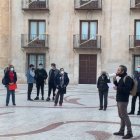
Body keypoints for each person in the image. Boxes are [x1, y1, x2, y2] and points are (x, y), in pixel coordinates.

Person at [113, 65, 133, 139]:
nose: (117, 71)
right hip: (119, 99)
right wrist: (115, 81)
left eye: (118, 70)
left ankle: (129, 133)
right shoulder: (122, 78)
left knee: (125, 116)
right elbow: (119, 86)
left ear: (122, 71)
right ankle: (121, 131)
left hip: (123, 100)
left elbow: (126, 90)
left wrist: (117, 88)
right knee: (121, 116)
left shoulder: (127, 78)